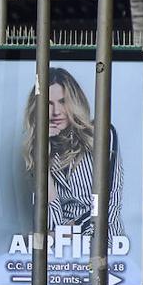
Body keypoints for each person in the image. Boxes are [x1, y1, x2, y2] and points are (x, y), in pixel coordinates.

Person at [22, 66, 125, 236]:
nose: (56, 112)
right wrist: (43, 158)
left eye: (63, 101)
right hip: (62, 251)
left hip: (105, 242)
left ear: (74, 102)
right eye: (49, 103)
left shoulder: (101, 134)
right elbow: (50, 224)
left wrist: (74, 226)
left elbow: (109, 203)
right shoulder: (40, 149)